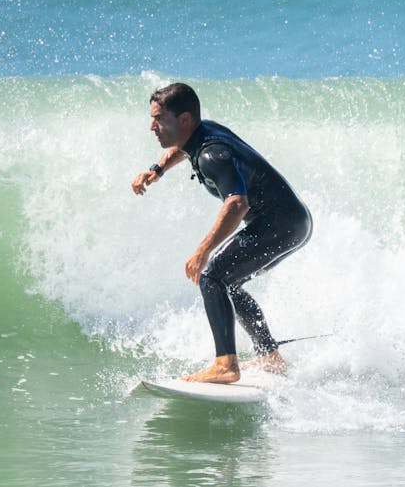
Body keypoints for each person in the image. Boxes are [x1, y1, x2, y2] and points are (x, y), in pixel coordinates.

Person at [131, 83, 313, 384]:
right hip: (293, 222)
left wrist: (202, 251)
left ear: (185, 119)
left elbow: (236, 204)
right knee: (229, 282)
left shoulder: (212, 155)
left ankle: (226, 365)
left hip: (281, 224)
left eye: (160, 119)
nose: (152, 126)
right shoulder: (202, 133)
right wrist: (157, 170)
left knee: (212, 275)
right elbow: (181, 149)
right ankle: (270, 355)